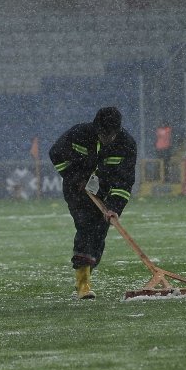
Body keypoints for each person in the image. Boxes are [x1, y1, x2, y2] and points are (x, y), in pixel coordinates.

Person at [49, 107, 137, 299]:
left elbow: (125, 181)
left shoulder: (127, 145)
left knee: (98, 235)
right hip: (77, 192)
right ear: (96, 127)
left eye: (110, 135)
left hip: (103, 195)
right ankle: (83, 287)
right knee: (86, 227)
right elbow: (56, 153)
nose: (106, 138)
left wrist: (114, 208)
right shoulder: (78, 134)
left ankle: (86, 273)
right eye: (103, 133)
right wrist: (75, 178)